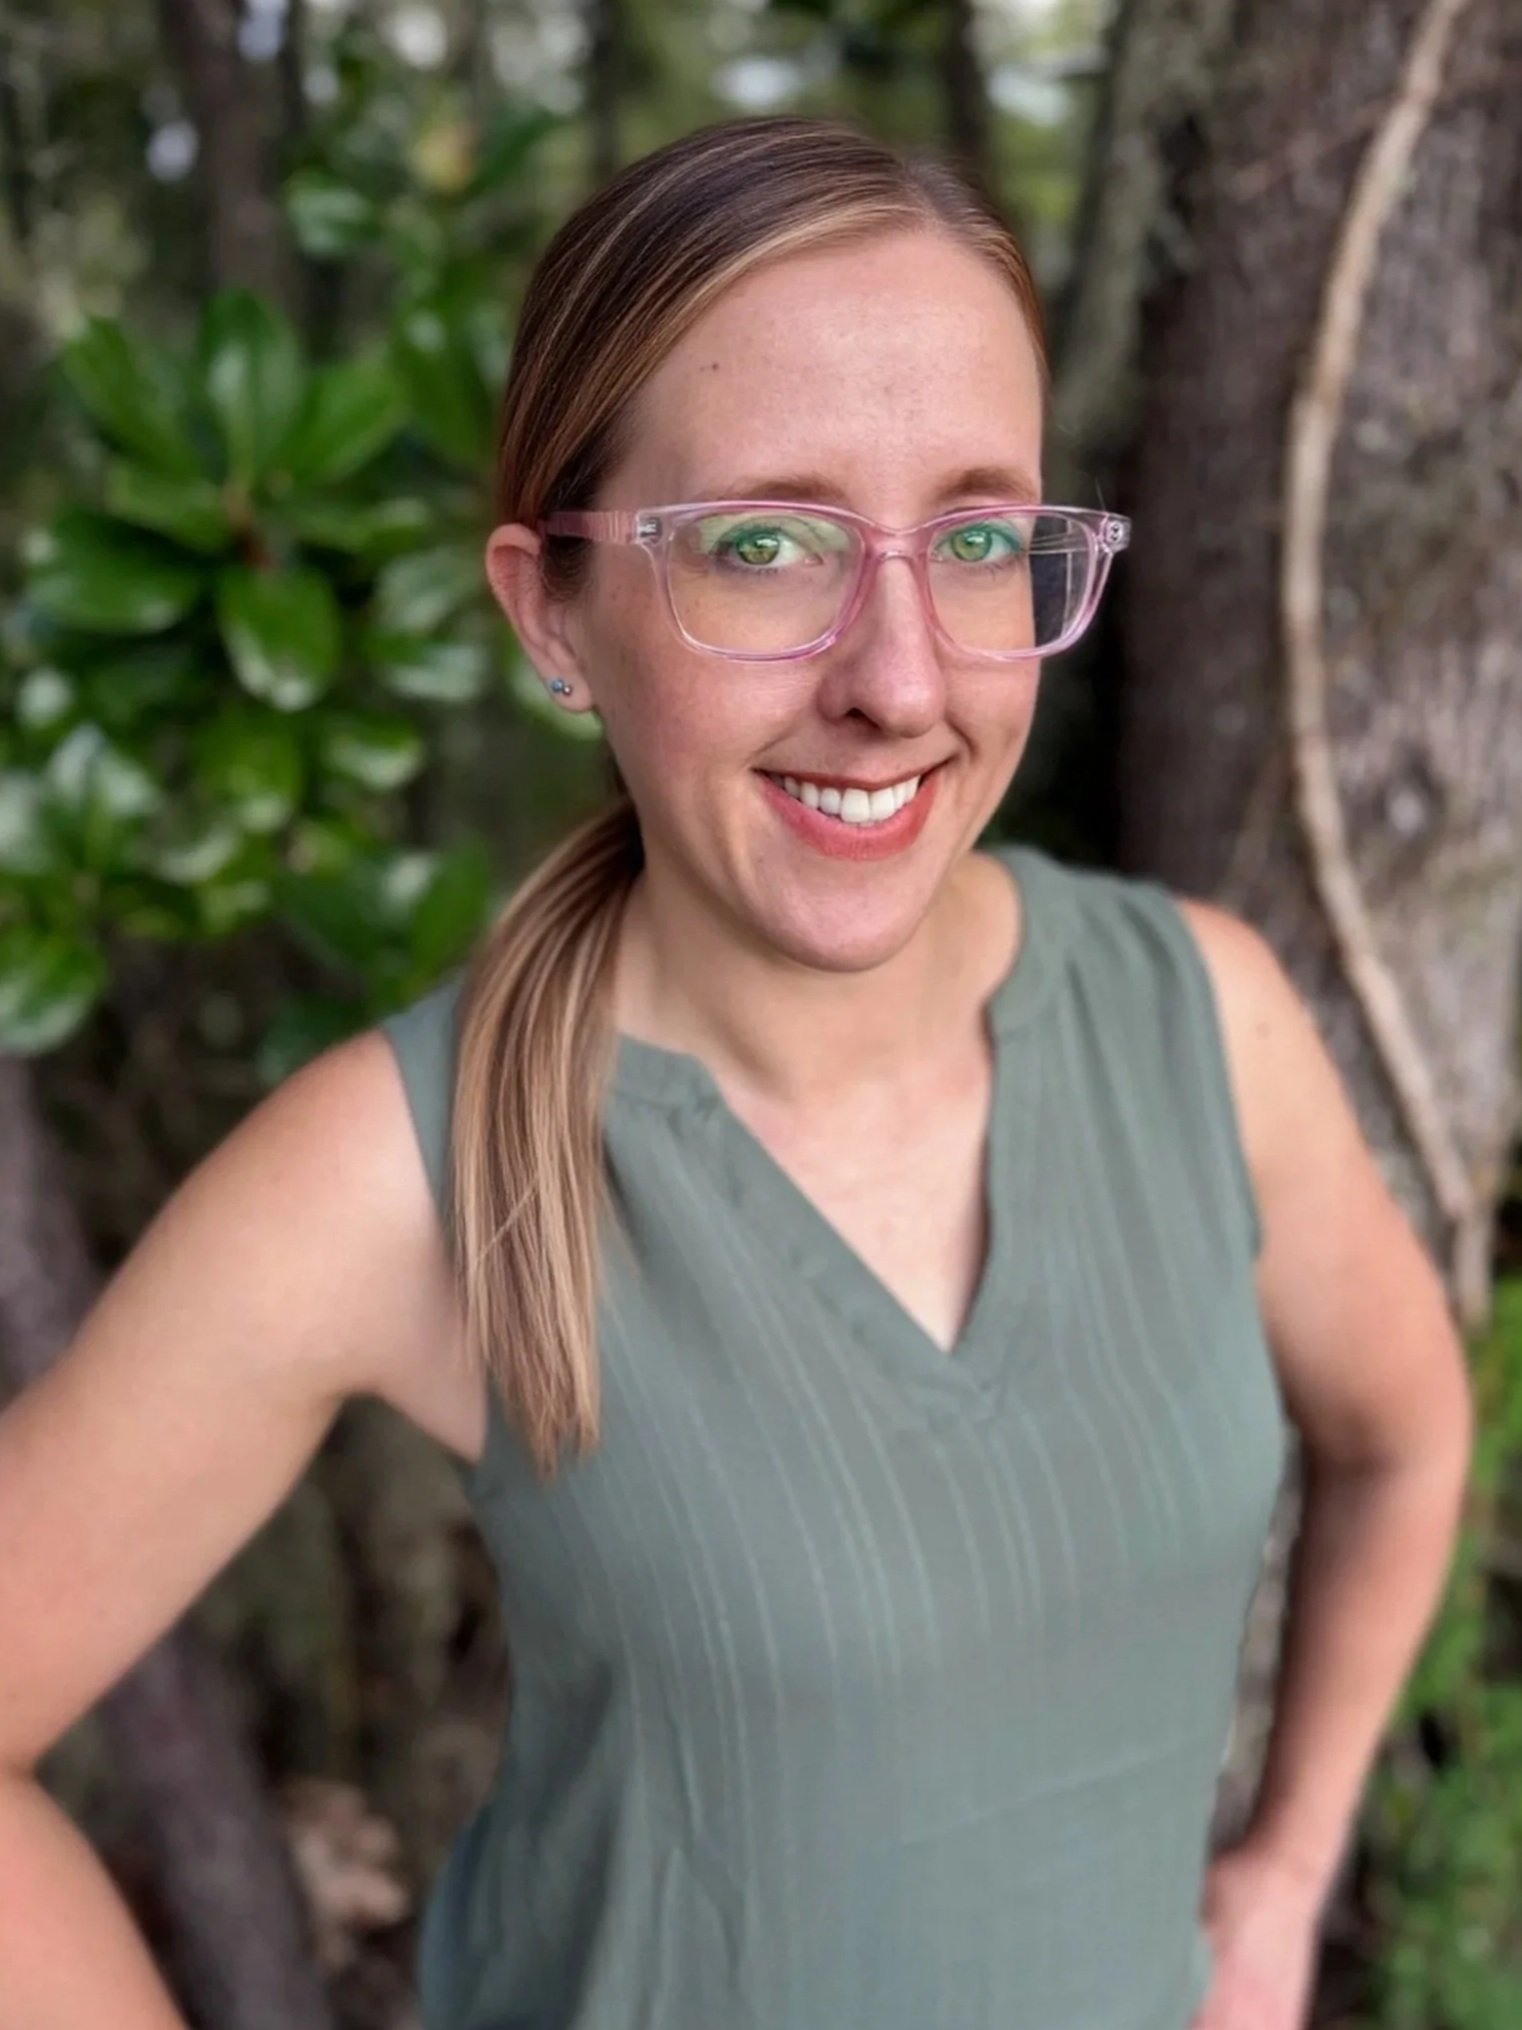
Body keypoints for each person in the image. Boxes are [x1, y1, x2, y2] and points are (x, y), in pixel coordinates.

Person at [0, 113, 1472, 2030]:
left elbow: (1407, 1430)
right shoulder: (403, 1170)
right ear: (552, 612)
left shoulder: (1202, 1021)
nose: (899, 677)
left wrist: (1278, 1883)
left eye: (973, 537)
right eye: (762, 544)